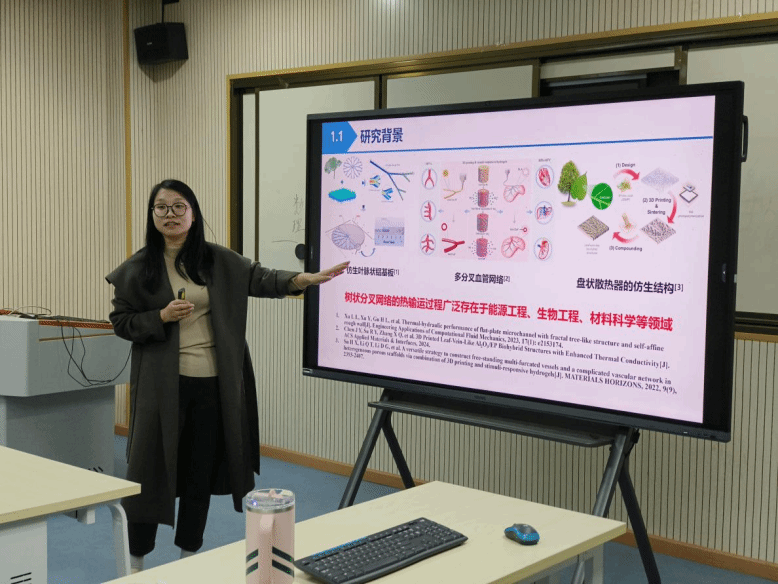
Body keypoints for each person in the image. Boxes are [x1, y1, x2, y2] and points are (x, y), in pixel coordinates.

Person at [106, 179, 348, 573]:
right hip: (160, 389)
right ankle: (136, 563)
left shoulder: (217, 260)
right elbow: (121, 322)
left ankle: (188, 559)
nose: (170, 214)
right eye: (161, 207)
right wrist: (160, 316)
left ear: (193, 213)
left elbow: (261, 277)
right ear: (152, 216)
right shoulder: (138, 268)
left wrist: (300, 280)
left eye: (178, 206)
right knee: (148, 476)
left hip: (213, 386)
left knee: (198, 477)